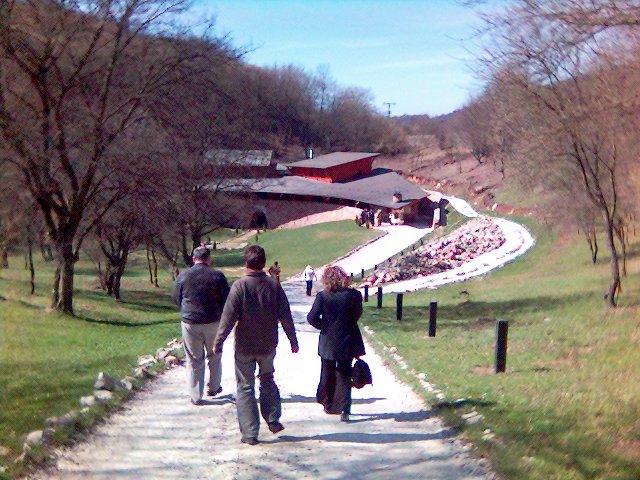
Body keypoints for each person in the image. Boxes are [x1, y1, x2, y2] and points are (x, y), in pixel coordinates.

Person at [214, 245, 299, 446]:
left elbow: (228, 317)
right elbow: (285, 316)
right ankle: (272, 417)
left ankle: (250, 433)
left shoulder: (240, 286)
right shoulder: (273, 286)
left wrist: (218, 342)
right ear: (264, 264)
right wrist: (293, 340)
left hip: (245, 345)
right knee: (267, 379)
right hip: (268, 344)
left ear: (246, 263)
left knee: (245, 387)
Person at [307, 265, 365, 422]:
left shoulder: (323, 296)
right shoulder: (354, 295)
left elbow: (311, 318)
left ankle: (328, 403)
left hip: (328, 340)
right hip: (347, 338)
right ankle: (345, 409)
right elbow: (357, 314)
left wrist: (324, 326)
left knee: (327, 372)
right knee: (345, 374)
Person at [172, 246, 230, 405]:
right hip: (213, 321)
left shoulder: (183, 276)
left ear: (193, 259)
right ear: (209, 258)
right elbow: (227, 299)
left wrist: (186, 311)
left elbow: (176, 298)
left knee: (194, 359)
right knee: (215, 354)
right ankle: (213, 386)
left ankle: (196, 395)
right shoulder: (217, 276)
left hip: (190, 322)